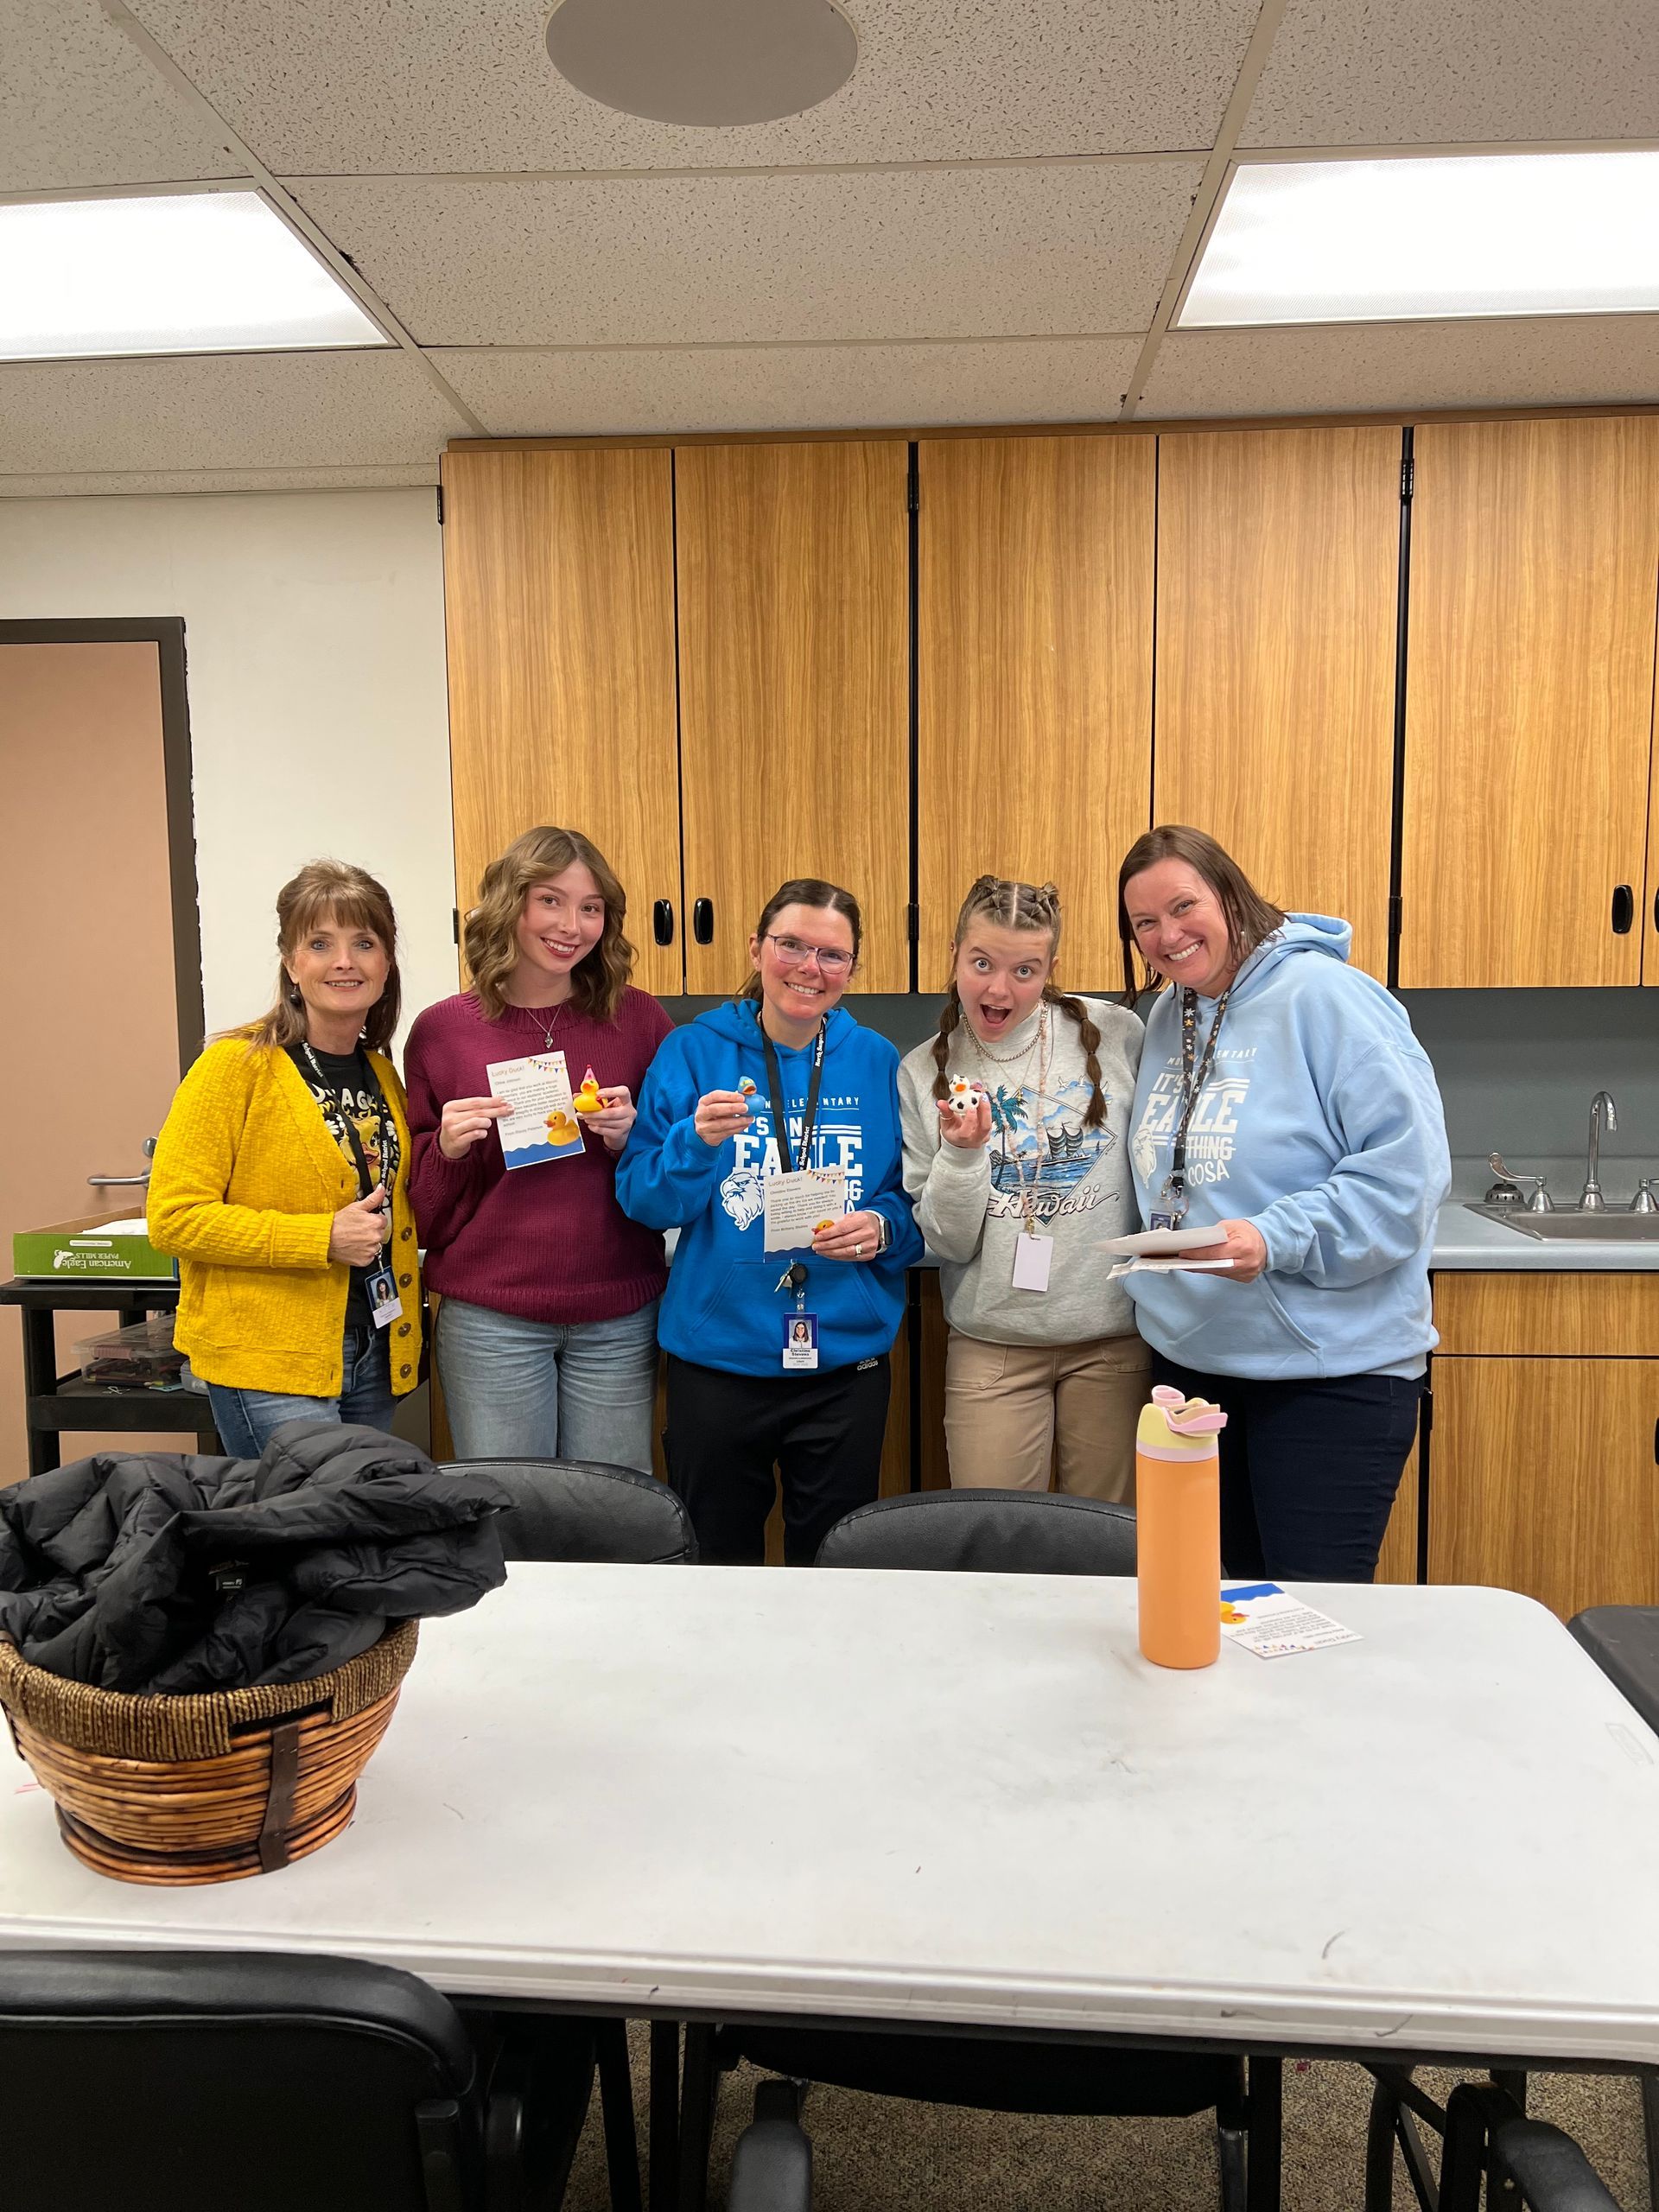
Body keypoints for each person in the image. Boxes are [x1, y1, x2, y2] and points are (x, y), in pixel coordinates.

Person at [1117, 824, 1451, 1582]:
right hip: (1194, 1366)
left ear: (1231, 895)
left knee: (1307, 1627)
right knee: (1216, 1613)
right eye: (1144, 923)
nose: (1167, 935)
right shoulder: (1173, 1013)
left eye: (1183, 906)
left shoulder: (1330, 999)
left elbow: (1408, 1178)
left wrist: (1275, 1238)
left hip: (1326, 1377)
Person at [616, 878, 922, 1563]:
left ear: (852, 969)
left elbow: (911, 1201)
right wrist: (694, 1143)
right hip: (718, 1362)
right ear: (757, 948)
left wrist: (882, 1228)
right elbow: (644, 1202)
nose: (810, 968)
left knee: (837, 1567)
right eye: (792, 945)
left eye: (832, 954)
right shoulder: (694, 1052)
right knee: (719, 1567)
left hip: (845, 1363)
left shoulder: (875, 1060)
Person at [404, 826, 673, 1470]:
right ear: (510, 904)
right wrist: (447, 1149)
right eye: (550, 900)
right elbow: (426, 1213)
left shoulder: (640, 1021)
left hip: (618, 1314)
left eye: (591, 907)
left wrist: (632, 1140)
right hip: (492, 1320)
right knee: (511, 1519)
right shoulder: (443, 1031)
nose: (571, 925)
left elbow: (678, 1178)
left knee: (614, 1518)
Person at [148, 860, 421, 1459]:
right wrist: (319, 1238)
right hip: (267, 1356)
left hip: (373, 1346)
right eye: (320, 943)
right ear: (292, 962)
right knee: (307, 1534)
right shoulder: (234, 1066)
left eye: (364, 943)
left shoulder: (380, 1072)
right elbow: (173, 1218)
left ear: (385, 964)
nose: (344, 961)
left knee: (356, 1529)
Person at [898, 875, 1147, 1501]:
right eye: (981, 963)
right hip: (993, 1348)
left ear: (1052, 968)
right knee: (998, 1550)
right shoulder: (923, 1069)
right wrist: (962, 1152)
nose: (998, 989)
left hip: (1114, 1341)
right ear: (953, 953)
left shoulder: (1117, 1035)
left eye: (1025, 970)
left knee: (1110, 1549)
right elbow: (949, 1244)